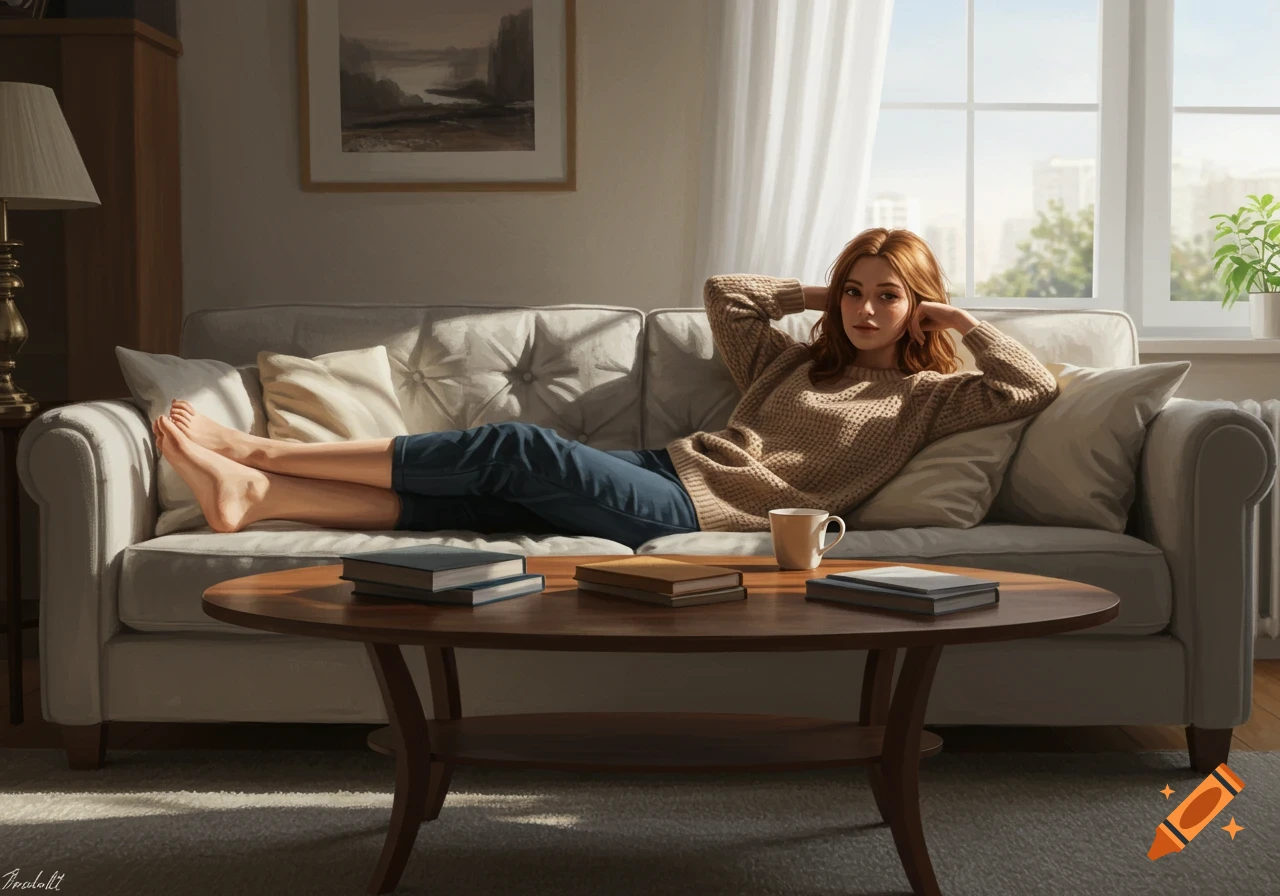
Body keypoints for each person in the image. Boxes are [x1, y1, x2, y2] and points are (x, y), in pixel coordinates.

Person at [152, 227, 1058, 548]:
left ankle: (262, 450)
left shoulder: (932, 397)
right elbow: (728, 297)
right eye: (856, 293)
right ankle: (261, 496)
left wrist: (958, 323)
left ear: (919, 303)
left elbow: (1029, 388)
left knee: (515, 446)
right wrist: (825, 291)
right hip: (663, 469)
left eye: (885, 296)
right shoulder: (796, 360)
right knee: (489, 498)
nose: (865, 308)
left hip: (701, 518)